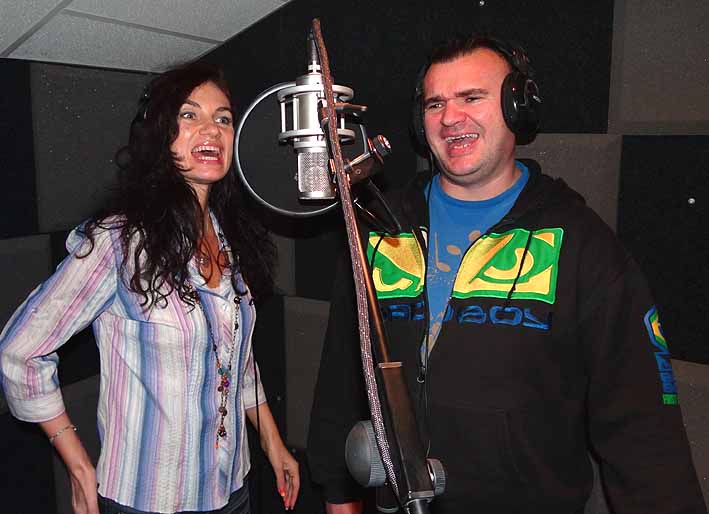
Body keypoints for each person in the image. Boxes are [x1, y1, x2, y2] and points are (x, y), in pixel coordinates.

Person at [307, 35, 706, 514]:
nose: (451, 118)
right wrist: (338, 492)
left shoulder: (581, 243)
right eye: (435, 104)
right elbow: (343, 370)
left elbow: (642, 424)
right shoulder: (377, 229)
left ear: (519, 107)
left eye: (472, 97)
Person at [0, 62, 299, 514]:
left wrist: (272, 442)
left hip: (232, 488)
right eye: (189, 114)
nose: (211, 129)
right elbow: (21, 351)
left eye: (222, 118)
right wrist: (77, 464)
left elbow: (234, 357)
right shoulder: (118, 241)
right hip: (149, 499)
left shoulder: (228, 238)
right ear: (161, 134)